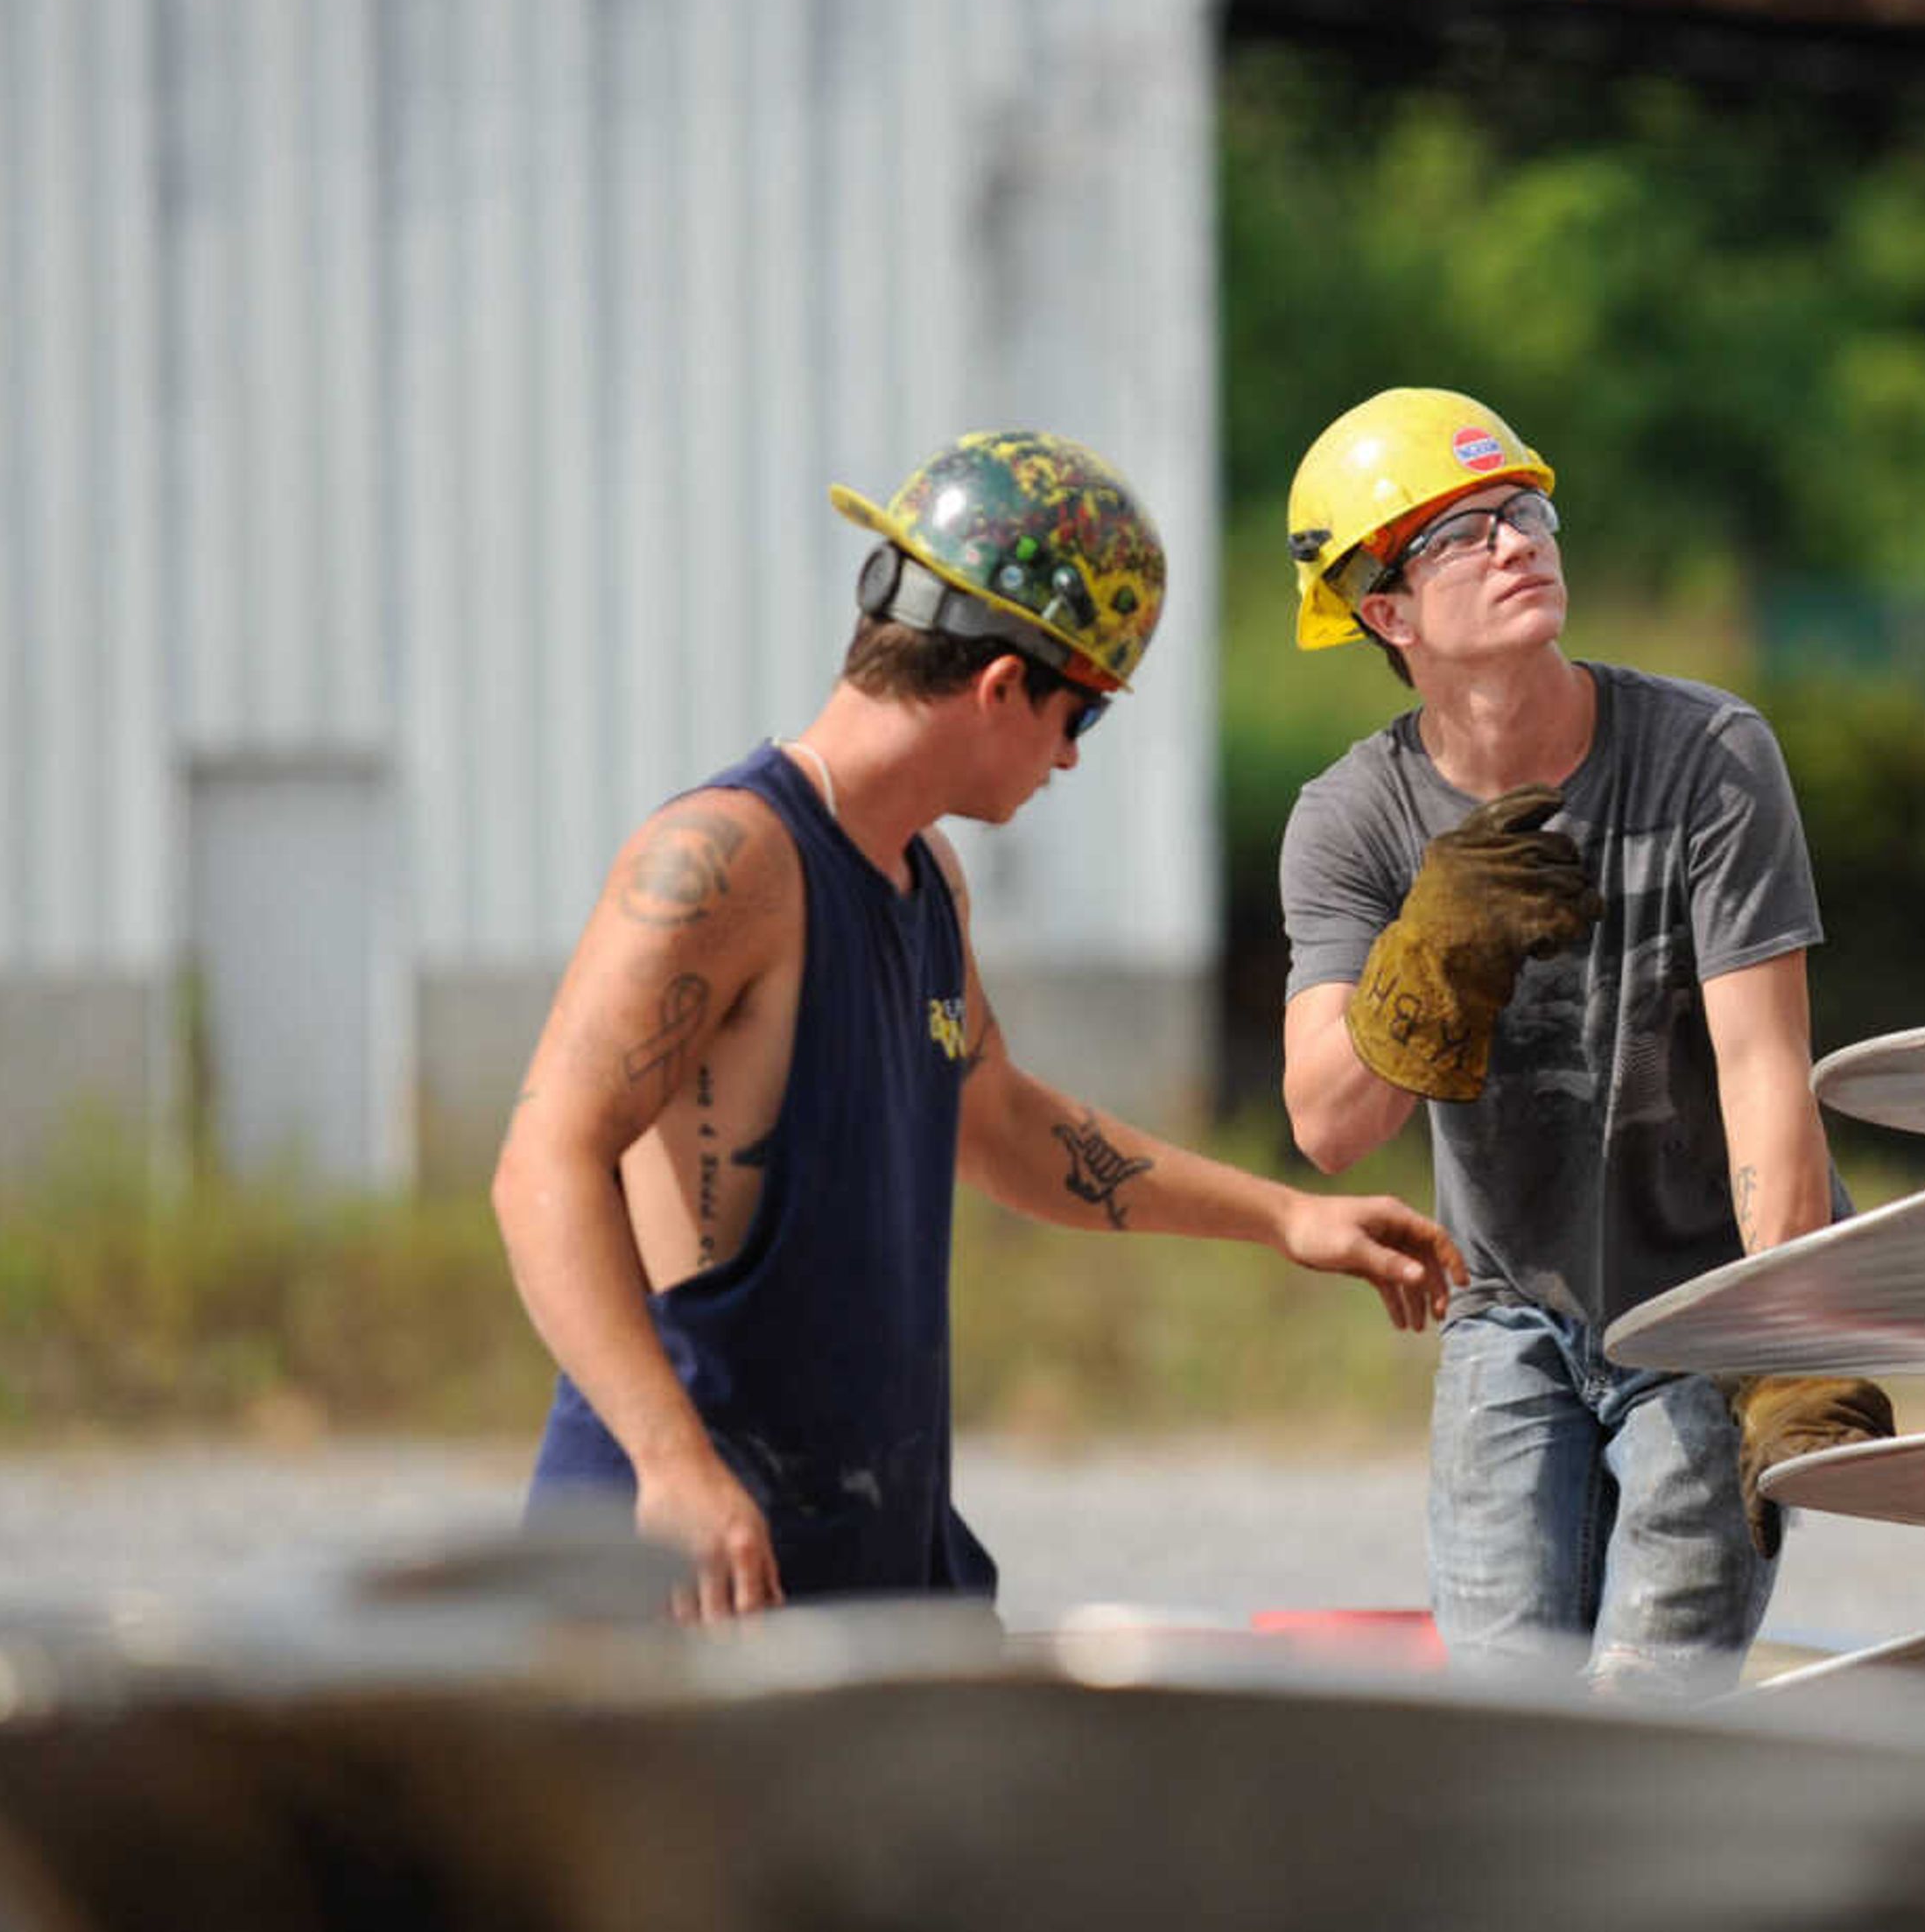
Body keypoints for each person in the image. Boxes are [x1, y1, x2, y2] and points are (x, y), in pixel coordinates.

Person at [495, 430, 1464, 1619]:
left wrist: (1285, 1217)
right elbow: (546, 1158)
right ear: (1004, 684)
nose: (1068, 757)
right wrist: (671, 1466)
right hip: (685, 1569)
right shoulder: (721, 860)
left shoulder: (921, 878)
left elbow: (996, 1117)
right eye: (1085, 714)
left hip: (863, 1548)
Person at [1273, 385, 1892, 1692]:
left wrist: (1781, 1325)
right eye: (1460, 533)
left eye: (1525, 509)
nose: (1517, 542)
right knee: (1509, 1719)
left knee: (1648, 1704)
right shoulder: (1354, 821)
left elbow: (1765, 1071)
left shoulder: (1708, 757)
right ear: (1384, 612)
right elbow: (1330, 1128)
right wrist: (1432, 952)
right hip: (1511, 1312)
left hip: (1707, 1303)